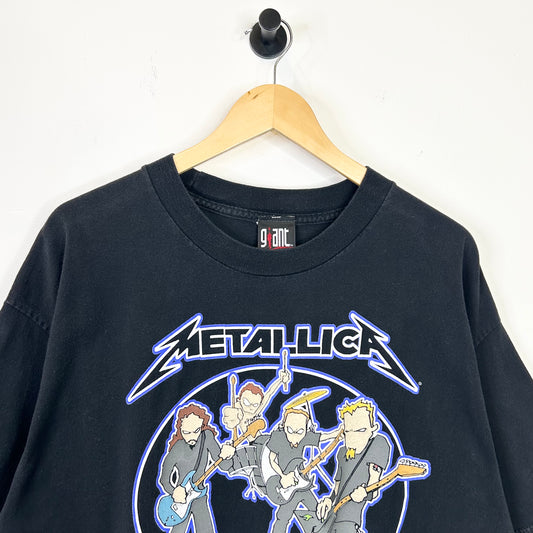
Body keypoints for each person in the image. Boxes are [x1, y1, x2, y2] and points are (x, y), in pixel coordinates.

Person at [157, 402, 235, 533]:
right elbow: (164, 478)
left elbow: (224, 466)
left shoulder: (207, 437)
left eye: (196, 431)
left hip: (200, 496)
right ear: (180, 429)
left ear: (202, 426)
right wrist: (174, 491)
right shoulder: (177, 448)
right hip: (180, 501)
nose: (192, 436)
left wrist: (227, 454)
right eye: (186, 432)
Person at [316, 398, 391, 533]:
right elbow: (337, 487)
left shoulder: (378, 444)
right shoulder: (342, 452)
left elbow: (374, 485)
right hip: (331, 516)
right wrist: (328, 500)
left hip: (350, 520)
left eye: (360, 430)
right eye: (348, 431)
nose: (352, 437)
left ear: (373, 428)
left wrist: (365, 493)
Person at [266, 407, 337, 533]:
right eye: (290, 430)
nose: (294, 435)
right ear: (284, 425)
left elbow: (323, 437)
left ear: (305, 429)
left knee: (318, 513)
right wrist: (282, 476)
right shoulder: (277, 437)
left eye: (299, 431)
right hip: (287, 488)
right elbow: (271, 460)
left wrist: (338, 433)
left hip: (303, 485)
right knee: (282, 518)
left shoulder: (305, 437)